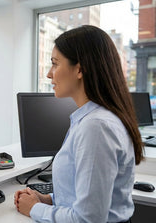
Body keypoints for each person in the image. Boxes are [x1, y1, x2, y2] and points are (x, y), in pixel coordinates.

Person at [14, 25, 143, 222]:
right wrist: (47, 199)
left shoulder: (96, 127)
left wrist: (35, 209)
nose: (49, 74)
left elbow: (87, 219)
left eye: (55, 64)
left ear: (80, 69)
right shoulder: (89, 119)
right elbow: (85, 197)